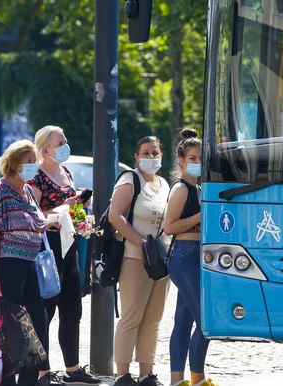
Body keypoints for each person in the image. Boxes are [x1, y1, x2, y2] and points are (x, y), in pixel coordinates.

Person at [28, 126, 100, 385]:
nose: (65, 146)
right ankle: (42, 371)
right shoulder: (36, 178)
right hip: (47, 248)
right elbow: (34, 218)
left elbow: (70, 208)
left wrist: (80, 205)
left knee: (72, 308)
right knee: (45, 311)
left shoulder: (65, 172)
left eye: (65, 141)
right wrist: (63, 208)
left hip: (69, 246)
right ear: (46, 149)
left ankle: (73, 368)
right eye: (60, 143)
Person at [0, 140, 60, 386]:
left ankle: (28, 381)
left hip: (31, 264)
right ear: (14, 163)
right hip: (10, 265)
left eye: (33, 160)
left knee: (38, 322)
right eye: (28, 161)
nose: (33, 165)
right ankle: (7, 380)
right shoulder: (1, 190)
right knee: (9, 325)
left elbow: (35, 222)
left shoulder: (27, 190)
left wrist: (51, 221)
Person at [109, 136, 171, 386]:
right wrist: (139, 241)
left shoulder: (165, 184)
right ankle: (123, 374)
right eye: (145, 152)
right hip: (134, 257)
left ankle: (147, 374)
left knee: (153, 318)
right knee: (131, 316)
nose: (151, 157)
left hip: (161, 258)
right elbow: (115, 216)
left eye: (155, 152)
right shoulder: (129, 180)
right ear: (136, 157)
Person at [164, 129, 217, 386]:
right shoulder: (182, 189)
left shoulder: (198, 189)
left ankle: (178, 380)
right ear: (182, 161)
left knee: (184, 322)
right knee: (207, 322)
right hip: (184, 257)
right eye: (193, 158)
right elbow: (169, 227)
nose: (198, 163)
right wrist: (201, 215)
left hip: (198, 257)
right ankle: (197, 379)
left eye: (201, 158)